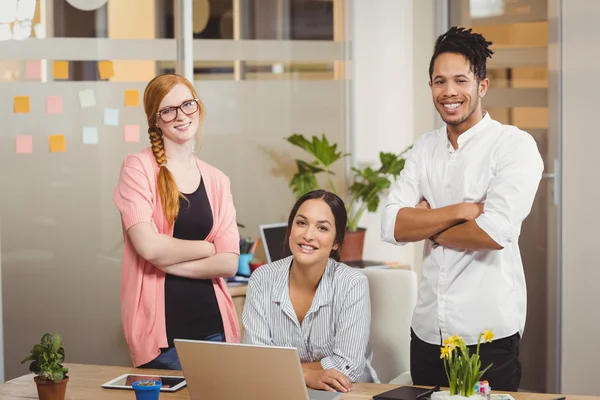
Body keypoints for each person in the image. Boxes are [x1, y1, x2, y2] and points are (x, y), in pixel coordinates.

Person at [381, 27, 544, 391]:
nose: (449, 91)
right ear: (430, 87)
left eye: (460, 80)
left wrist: (427, 223)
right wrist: (463, 209)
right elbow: (393, 225)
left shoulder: (513, 146)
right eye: (440, 81)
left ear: (481, 86)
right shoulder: (425, 148)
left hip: (487, 335)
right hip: (427, 332)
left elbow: (492, 233)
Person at [113, 73, 241, 370]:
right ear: (155, 120)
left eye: (187, 105)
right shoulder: (139, 168)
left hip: (215, 331)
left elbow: (229, 264)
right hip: (161, 340)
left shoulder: (218, 180)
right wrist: (207, 249)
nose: (180, 116)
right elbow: (148, 246)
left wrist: (170, 263)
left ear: (198, 107)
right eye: (168, 110)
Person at [243, 190, 379, 393]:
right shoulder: (262, 279)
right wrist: (308, 375)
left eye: (322, 228)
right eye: (301, 223)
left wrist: (284, 370)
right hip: (281, 391)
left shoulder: (352, 284)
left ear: (336, 242)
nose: (308, 235)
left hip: (346, 393)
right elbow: (257, 361)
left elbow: (349, 367)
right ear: (290, 229)